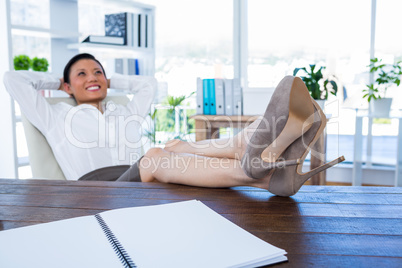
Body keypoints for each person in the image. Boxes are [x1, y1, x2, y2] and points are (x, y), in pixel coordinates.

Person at [4, 53, 344, 197]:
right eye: (83, 74)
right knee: (155, 156)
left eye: (98, 72)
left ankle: (266, 170)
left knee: (169, 148)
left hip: (135, 181)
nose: (93, 77)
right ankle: (253, 162)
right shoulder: (53, 114)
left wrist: (104, 80)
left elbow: (147, 84)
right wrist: (64, 80)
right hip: (96, 192)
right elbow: (12, 78)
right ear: (65, 86)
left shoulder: (124, 110)